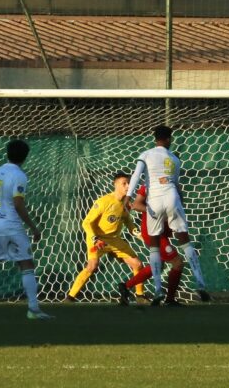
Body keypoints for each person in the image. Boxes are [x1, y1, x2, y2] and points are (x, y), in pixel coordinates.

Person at [124, 125, 209, 304]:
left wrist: (128, 196)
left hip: (154, 200)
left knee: (154, 249)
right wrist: (180, 206)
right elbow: (177, 186)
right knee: (185, 242)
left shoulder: (146, 155)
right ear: (169, 139)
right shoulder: (174, 159)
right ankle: (200, 283)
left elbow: (136, 174)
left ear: (155, 138)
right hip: (172, 197)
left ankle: (157, 291)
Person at [0, 140, 53, 319]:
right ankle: (33, 309)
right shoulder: (19, 175)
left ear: (7, 153)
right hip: (11, 226)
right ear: (25, 157)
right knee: (26, 265)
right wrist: (34, 227)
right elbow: (18, 203)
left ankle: (34, 309)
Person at [65, 171, 147, 303]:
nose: (127, 186)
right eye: (124, 183)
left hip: (115, 240)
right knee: (92, 266)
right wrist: (94, 239)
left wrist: (141, 236)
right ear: (115, 185)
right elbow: (86, 222)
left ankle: (140, 296)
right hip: (98, 240)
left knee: (137, 264)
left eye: (129, 184)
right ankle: (70, 298)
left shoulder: (126, 205)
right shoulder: (103, 202)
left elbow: (130, 225)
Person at [118, 184, 186, 307]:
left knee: (158, 264)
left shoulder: (173, 183)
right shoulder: (149, 185)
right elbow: (137, 205)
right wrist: (157, 212)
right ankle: (170, 300)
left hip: (162, 231)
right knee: (177, 263)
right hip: (153, 232)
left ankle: (126, 286)